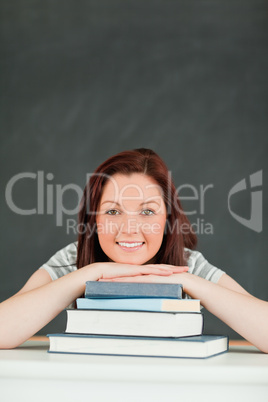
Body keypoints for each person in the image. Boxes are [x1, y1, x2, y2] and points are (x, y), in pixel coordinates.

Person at [0, 148, 267, 352]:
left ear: (167, 220)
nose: (129, 228)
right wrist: (91, 273)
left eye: (148, 211)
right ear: (94, 218)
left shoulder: (187, 265)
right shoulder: (73, 259)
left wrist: (184, 280)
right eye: (113, 211)